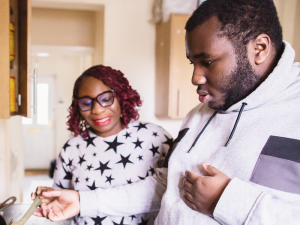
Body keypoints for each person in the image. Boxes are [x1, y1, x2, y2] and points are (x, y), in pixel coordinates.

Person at [33, 0, 300, 224]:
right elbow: (167, 186)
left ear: (260, 48)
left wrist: (228, 201)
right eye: (192, 63)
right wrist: (82, 200)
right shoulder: (198, 115)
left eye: (207, 62)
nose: (195, 78)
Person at [32, 65, 173, 225]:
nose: (97, 110)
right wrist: (49, 198)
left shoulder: (155, 137)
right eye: (86, 102)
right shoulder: (71, 148)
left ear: (122, 97)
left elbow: (172, 193)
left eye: (106, 99)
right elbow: (63, 200)